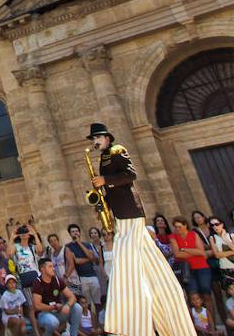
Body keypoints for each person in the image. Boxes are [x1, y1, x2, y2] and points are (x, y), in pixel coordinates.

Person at [86, 122, 195, 336]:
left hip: (130, 211)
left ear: (107, 138)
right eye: (93, 139)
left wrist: (105, 180)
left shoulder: (118, 151)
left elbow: (130, 175)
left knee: (126, 264)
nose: (94, 142)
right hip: (120, 212)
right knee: (148, 266)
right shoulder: (104, 157)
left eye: (97, 138)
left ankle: (129, 324)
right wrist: (102, 198)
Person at [64, 224, 102, 330]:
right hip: (82, 278)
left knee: (98, 302)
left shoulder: (86, 244)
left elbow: (92, 256)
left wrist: (80, 243)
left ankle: (99, 325)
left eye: (76, 231)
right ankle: (92, 326)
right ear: (70, 234)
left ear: (79, 232)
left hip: (93, 275)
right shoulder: (69, 247)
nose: (75, 233)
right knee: (87, 304)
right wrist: (89, 259)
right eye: (72, 231)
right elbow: (76, 261)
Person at [32, 258, 83, 336]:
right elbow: (37, 305)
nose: (53, 269)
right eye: (50, 267)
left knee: (77, 307)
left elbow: (72, 297)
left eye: (53, 266)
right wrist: (54, 307)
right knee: (53, 322)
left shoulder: (57, 280)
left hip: (58, 312)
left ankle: (73, 334)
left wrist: (67, 306)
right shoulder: (37, 282)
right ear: (42, 269)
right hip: (44, 314)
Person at [172, 216, 213, 298]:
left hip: (201, 267)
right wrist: (195, 252)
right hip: (186, 269)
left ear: (185, 225)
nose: (177, 229)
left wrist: (183, 249)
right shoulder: (173, 237)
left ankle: (209, 311)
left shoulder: (194, 234)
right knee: (194, 295)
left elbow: (201, 251)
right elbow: (177, 254)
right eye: (175, 227)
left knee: (206, 294)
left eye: (179, 227)